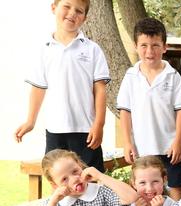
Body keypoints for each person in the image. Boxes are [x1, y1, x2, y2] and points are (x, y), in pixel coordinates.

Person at [15, 0, 110, 173]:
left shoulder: (92, 49)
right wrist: (30, 121)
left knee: (92, 179)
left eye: (79, 11)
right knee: (58, 179)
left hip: (86, 130)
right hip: (55, 129)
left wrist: (99, 124)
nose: (72, 13)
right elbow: (38, 88)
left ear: (85, 18)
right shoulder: (44, 50)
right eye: (67, 6)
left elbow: (100, 89)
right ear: (53, 8)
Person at [117, 17, 181, 201]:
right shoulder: (131, 77)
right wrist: (127, 142)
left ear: (164, 47)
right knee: (145, 193)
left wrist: (178, 141)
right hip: (144, 148)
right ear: (136, 46)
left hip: (170, 148)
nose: (149, 51)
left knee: (175, 191)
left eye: (155, 45)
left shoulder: (173, 76)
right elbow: (125, 112)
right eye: (144, 45)